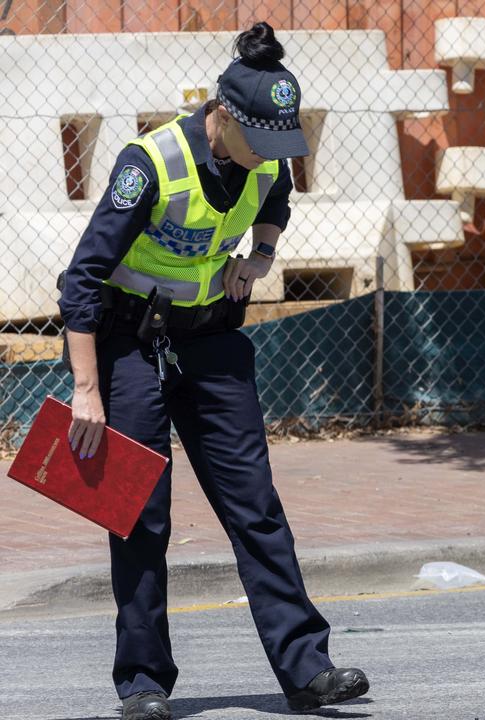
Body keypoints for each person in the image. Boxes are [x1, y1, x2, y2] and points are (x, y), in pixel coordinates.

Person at [58, 22, 368, 720]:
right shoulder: (151, 165)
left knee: (255, 507)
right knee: (139, 515)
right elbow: (81, 281)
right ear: (221, 116)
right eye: (261, 138)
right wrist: (86, 392)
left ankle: (306, 670)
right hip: (130, 346)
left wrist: (259, 257)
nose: (273, 155)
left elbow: (277, 203)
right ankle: (142, 684)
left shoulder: (265, 153)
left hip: (210, 345)